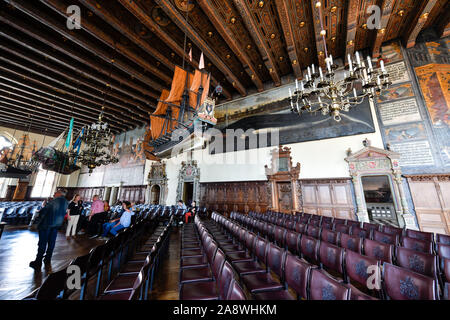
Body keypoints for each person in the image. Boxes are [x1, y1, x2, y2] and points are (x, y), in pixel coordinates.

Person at [29, 188, 68, 270]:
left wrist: (43, 207)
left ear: (59, 194)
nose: (54, 194)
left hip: (47, 224)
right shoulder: (65, 202)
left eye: (56, 192)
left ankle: (38, 261)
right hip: (56, 225)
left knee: (42, 243)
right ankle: (47, 258)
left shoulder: (54, 201)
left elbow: (44, 211)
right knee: (51, 242)